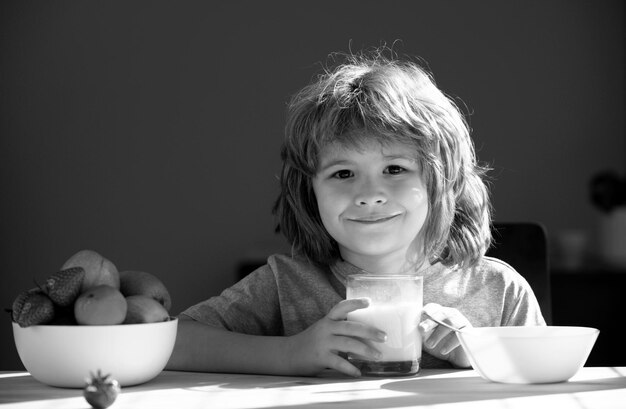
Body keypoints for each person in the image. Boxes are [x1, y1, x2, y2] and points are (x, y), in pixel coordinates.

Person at [166, 49, 546, 377]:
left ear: (442, 180)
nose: (369, 195)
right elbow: (171, 341)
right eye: (342, 173)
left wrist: (484, 355)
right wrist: (291, 353)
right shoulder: (286, 284)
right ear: (309, 193)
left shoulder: (498, 290)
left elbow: (548, 384)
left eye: (395, 169)